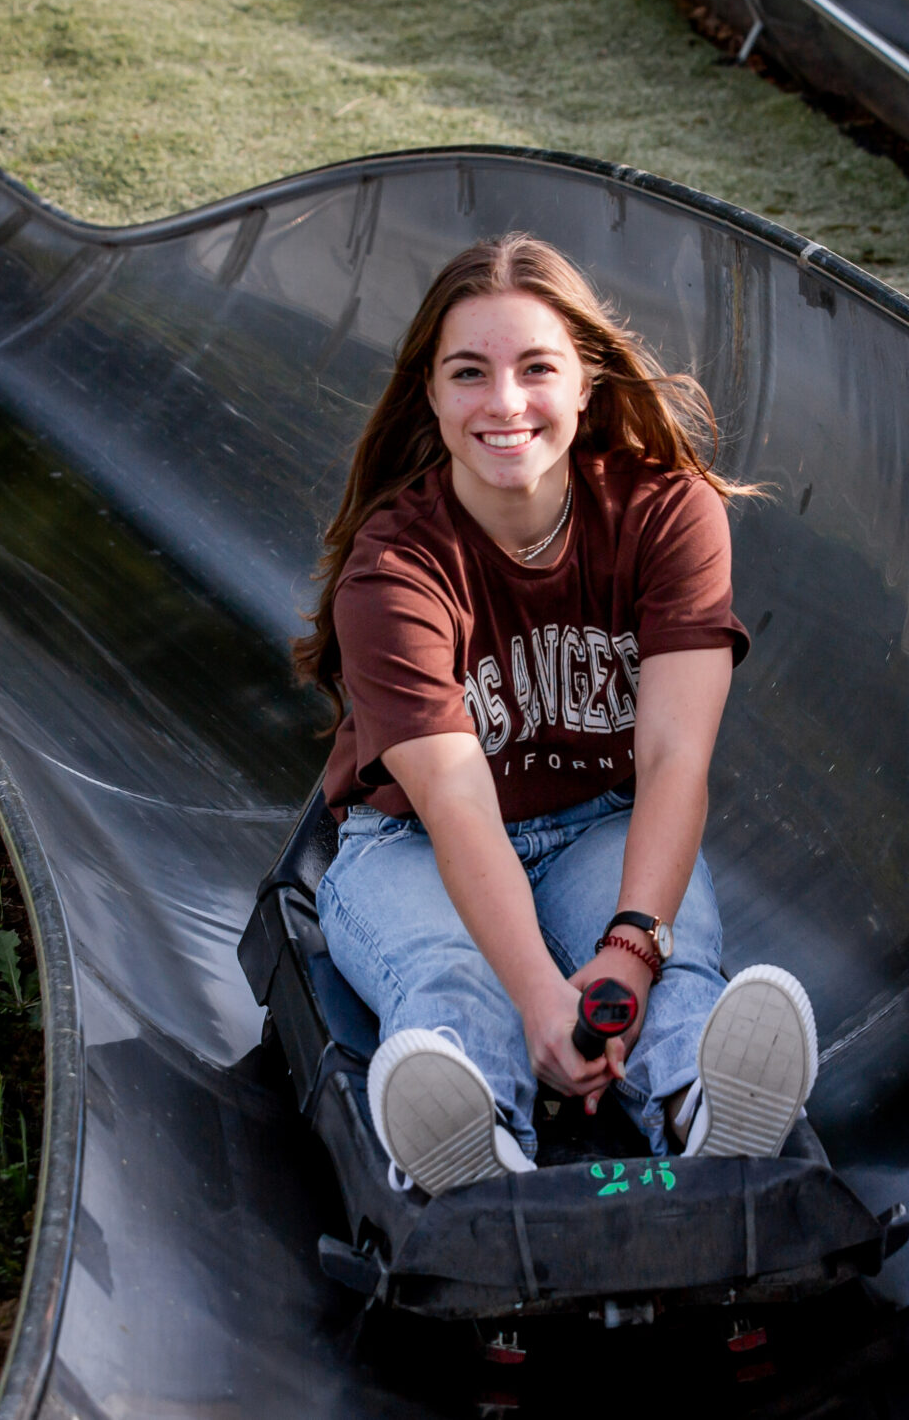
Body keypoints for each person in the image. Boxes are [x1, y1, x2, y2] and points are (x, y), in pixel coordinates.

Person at [292, 233, 818, 1198]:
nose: (504, 402)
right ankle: (474, 1140)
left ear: (586, 382)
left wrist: (626, 949)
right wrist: (541, 997)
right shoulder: (396, 568)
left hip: (596, 825)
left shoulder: (669, 515)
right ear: (432, 397)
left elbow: (671, 760)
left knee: (672, 974)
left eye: (537, 367)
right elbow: (455, 807)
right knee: (457, 978)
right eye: (468, 373)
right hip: (407, 844)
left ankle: (707, 1106)